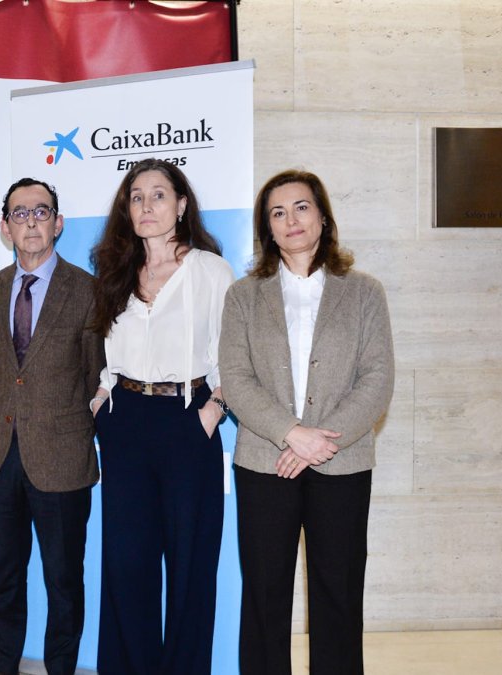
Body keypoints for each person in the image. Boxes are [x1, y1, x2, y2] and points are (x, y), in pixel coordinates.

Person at [219, 169, 394, 675]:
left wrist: (320, 442)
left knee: (338, 593)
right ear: (267, 229)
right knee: (266, 595)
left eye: (300, 207)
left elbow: (377, 377)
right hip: (263, 461)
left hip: (342, 463)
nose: (290, 219)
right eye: (277, 212)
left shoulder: (364, 293)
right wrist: (292, 434)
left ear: (322, 216)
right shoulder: (243, 296)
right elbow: (236, 376)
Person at [89, 158, 234, 674]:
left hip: (187, 420)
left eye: (158, 195)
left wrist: (213, 411)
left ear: (181, 205)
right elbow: (108, 348)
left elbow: (234, 355)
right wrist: (103, 396)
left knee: (192, 564)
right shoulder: (114, 271)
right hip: (126, 422)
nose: (146, 205)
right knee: (128, 565)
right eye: (136, 196)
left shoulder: (211, 271)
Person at [0, 178, 105, 675]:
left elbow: (97, 373)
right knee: (5, 577)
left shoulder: (89, 290)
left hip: (63, 458)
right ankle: (4, 666)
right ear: (4, 225)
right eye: (20, 213)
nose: (31, 221)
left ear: (59, 221)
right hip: (0, 455)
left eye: (41, 211)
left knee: (63, 580)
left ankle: (61, 669)